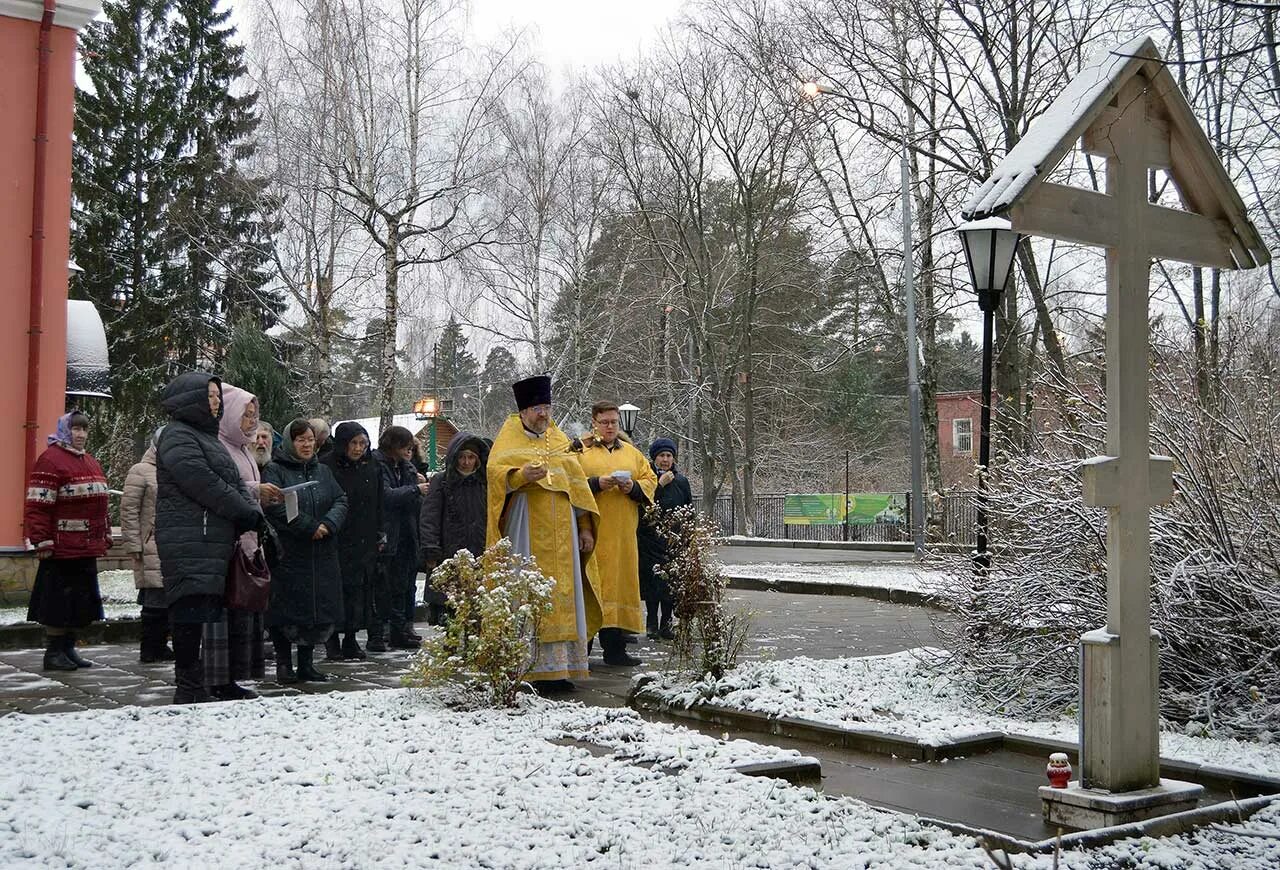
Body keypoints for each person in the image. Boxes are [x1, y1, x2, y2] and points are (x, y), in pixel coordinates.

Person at [487, 375, 602, 692]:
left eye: (547, 407)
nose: (543, 414)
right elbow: (495, 476)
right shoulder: (508, 439)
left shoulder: (559, 440)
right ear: (523, 411)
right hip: (526, 528)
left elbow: (577, 487)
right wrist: (521, 475)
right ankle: (527, 668)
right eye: (538, 408)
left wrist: (584, 527)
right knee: (527, 594)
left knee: (563, 595)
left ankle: (560, 669)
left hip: (564, 533)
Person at [155, 373, 265, 704]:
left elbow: (230, 481)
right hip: (189, 537)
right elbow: (202, 482)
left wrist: (254, 514)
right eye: (210, 396)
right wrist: (244, 512)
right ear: (191, 399)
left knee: (209, 610)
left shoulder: (207, 438)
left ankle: (215, 680)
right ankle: (188, 686)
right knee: (189, 611)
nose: (216, 402)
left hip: (210, 537)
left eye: (218, 396)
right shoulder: (177, 436)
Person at [23, 410, 112, 671]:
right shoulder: (50, 460)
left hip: (85, 547)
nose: (81, 434)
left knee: (78, 602)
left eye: (84, 429)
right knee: (58, 602)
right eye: (75, 429)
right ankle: (53, 653)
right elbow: (38, 505)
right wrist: (42, 541)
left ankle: (69, 649)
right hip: (61, 548)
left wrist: (103, 532)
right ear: (65, 430)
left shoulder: (89, 461)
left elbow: (100, 504)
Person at [262, 419, 348, 682]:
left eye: (310, 439)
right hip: (289, 553)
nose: (307, 444)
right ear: (290, 442)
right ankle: (284, 664)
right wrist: (309, 526)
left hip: (321, 552)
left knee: (315, 609)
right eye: (301, 440)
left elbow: (340, 499)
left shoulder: (322, 471)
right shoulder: (274, 470)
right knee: (287, 610)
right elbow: (275, 506)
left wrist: (328, 524)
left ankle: (307, 663)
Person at [215, 385, 285, 699]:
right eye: (245, 415)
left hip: (249, 539)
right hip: (229, 542)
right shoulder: (220, 447)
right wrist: (257, 491)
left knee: (244, 612)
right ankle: (221, 678)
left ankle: (234, 675)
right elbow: (222, 487)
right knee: (230, 610)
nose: (251, 422)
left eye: (254, 416)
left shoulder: (243, 449)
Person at [575, 402, 657, 666]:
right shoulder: (581, 453)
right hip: (592, 533)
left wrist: (633, 486)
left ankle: (615, 649)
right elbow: (571, 484)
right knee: (591, 589)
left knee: (619, 589)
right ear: (594, 423)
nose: (610, 427)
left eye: (614, 422)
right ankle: (582, 650)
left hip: (623, 535)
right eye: (604, 422)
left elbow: (650, 479)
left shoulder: (632, 454)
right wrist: (596, 484)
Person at [321, 421, 381, 660]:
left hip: (363, 538)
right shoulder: (327, 466)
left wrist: (379, 532)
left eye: (363, 444)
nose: (358, 449)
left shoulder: (370, 467)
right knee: (335, 591)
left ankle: (351, 637)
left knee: (358, 592)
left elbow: (378, 502)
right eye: (354, 443)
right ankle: (332, 638)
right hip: (336, 536)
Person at [418, 431, 489, 625]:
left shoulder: (484, 483)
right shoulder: (442, 481)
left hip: (478, 550)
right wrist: (431, 548)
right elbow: (429, 516)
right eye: (462, 457)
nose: (466, 462)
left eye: (471, 457)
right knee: (448, 611)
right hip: (448, 552)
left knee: (476, 610)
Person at [371, 426, 428, 651]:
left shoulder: (405, 467)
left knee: (403, 585)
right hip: (387, 533)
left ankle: (400, 630)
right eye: (405, 447)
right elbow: (385, 496)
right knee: (383, 586)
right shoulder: (378, 465)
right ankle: (381, 632)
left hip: (405, 532)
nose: (409, 451)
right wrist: (415, 489)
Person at [119, 426, 172, 663]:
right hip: (150, 543)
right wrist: (134, 544)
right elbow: (129, 510)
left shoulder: (175, 470)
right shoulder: (140, 471)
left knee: (169, 597)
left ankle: (161, 645)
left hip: (173, 542)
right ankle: (150, 648)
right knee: (154, 598)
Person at [637, 437, 693, 640]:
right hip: (650, 541)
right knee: (652, 584)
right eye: (661, 455)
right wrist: (659, 486)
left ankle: (666, 624)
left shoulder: (681, 481)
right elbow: (642, 504)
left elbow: (689, 509)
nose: (665, 460)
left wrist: (687, 536)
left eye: (669, 456)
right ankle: (651, 622)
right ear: (654, 458)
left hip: (674, 541)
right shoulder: (647, 479)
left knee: (670, 585)